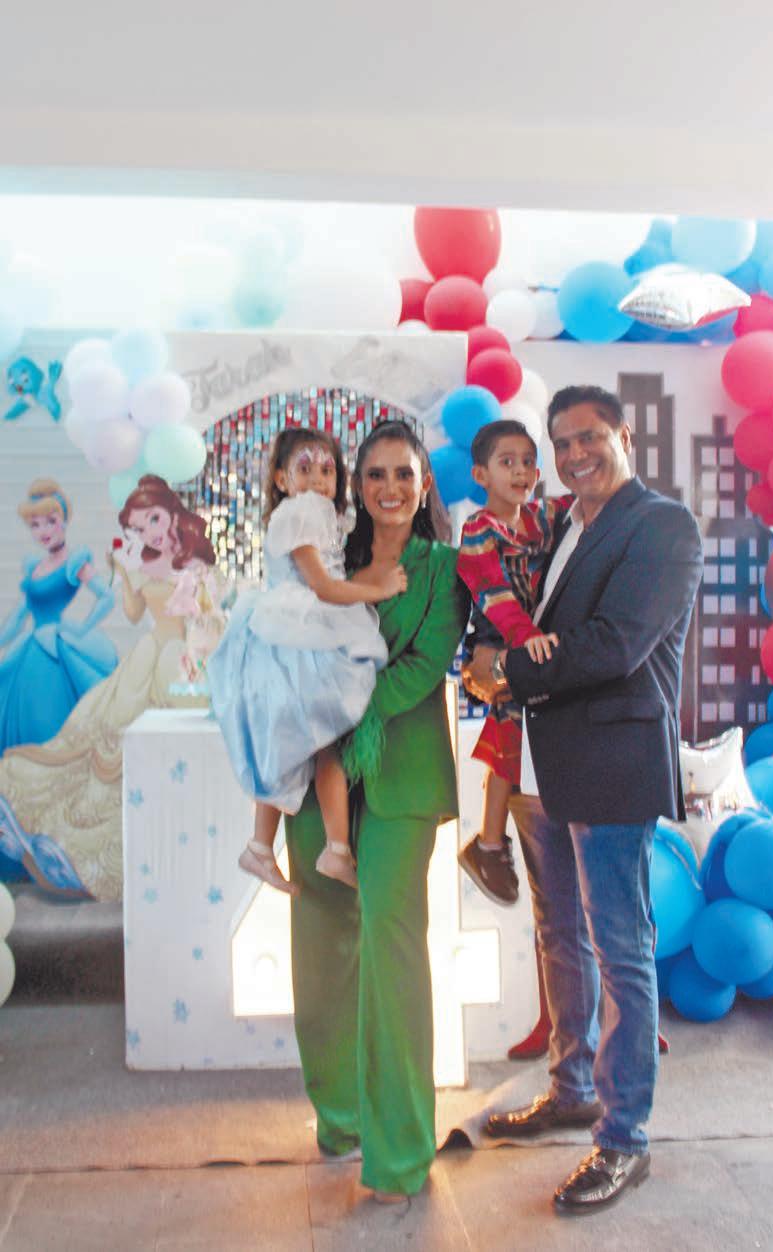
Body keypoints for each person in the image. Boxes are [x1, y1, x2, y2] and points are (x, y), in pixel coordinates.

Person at [463, 385, 702, 1215]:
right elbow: (521, 613)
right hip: (541, 767)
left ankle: (624, 1138)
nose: (573, 456)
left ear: (623, 435)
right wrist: (489, 654)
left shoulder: (661, 525)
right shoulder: (558, 522)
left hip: (612, 764)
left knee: (620, 949)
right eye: (560, 444)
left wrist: (506, 672)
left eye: (588, 437)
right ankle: (571, 1090)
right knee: (558, 936)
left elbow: (615, 645)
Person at [285, 420, 469, 1202]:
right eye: (374, 475)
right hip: (314, 775)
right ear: (355, 487)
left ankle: (399, 1152)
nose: (389, 488)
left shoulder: (445, 569)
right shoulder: (327, 562)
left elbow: (426, 665)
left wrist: (343, 710)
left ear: (424, 484)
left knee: (391, 954)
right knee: (320, 947)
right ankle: (341, 1117)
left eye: (404, 473)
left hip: (399, 777)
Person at [0, 475, 220, 901]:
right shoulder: (143, 566)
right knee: (102, 734)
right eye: (139, 527)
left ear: (171, 514)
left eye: (154, 519)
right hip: (148, 655)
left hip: (180, 659)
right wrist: (125, 573)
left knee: (162, 747)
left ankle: (160, 843)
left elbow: (205, 620)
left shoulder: (193, 564)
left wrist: (193, 598)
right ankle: (68, 842)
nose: (150, 532)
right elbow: (134, 613)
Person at [208, 427, 403, 894]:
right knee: (308, 738)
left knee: (310, 741)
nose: (318, 478)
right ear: (281, 478)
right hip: (296, 637)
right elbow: (323, 586)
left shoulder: (318, 515)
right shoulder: (298, 515)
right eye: (305, 468)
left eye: (327, 469)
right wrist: (379, 589)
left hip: (302, 635)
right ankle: (316, 848)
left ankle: (295, 848)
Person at [456, 419, 570, 906]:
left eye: (528, 462)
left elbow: (580, 502)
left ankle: (494, 842)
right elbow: (493, 594)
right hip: (500, 636)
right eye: (507, 462)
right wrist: (526, 641)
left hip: (532, 640)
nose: (521, 471)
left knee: (522, 737)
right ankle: (489, 844)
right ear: (481, 475)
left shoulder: (543, 516)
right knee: (509, 733)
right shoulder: (478, 529)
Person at [0, 479, 117, 756]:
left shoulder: (74, 563)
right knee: (25, 711)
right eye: (35, 525)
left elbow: (107, 596)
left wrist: (83, 629)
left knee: (52, 715)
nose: (43, 531)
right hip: (31, 647)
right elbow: (20, 615)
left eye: (50, 521)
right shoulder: (34, 567)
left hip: (56, 646)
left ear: (64, 520)